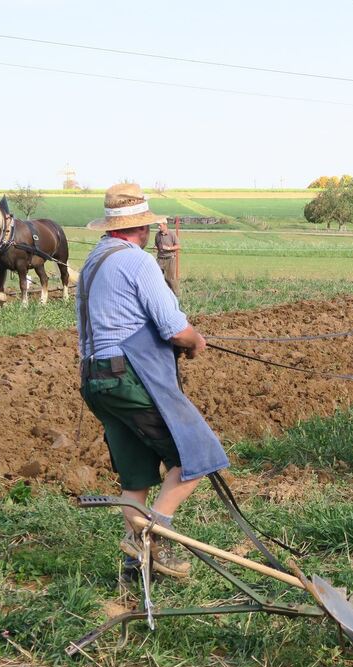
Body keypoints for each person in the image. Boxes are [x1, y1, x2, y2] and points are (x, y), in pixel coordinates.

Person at [78, 184, 229, 579]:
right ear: (142, 229)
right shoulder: (137, 262)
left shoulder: (94, 260)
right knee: (196, 455)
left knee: (137, 476)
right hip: (130, 377)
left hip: (96, 379)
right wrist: (195, 342)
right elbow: (174, 328)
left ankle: (136, 564)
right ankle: (152, 532)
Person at [155, 221, 181, 295]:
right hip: (160, 259)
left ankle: (176, 295)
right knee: (157, 277)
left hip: (170, 259)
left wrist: (168, 248)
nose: (158, 227)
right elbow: (157, 245)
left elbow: (178, 246)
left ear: (165, 225)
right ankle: (161, 294)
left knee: (170, 279)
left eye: (159, 225)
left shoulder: (172, 234)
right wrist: (156, 248)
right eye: (157, 225)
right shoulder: (157, 235)